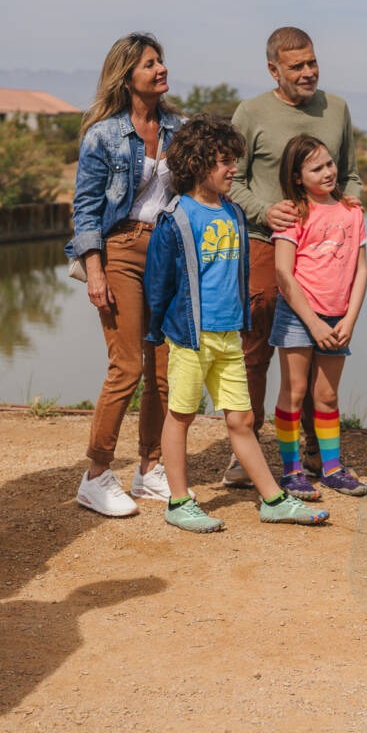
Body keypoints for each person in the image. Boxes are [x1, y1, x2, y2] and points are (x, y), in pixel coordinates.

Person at [146, 115, 330, 533]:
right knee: (180, 415)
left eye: (235, 160)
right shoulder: (176, 217)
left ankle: (273, 500)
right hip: (191, 338)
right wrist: (156, 331)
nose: (234, 169)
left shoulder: (232, 213)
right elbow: (158, 282)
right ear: (197, 163)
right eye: (225, 161)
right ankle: (178, 502)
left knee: (241, 420)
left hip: (229, 335)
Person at [227, 27, 362, 486]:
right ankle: (246, 448)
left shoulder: (338, 108)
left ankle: (315, 454)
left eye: (312, 62)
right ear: (273, 70)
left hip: (327, 253)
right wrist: (267, 211)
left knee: (320, 347)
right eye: (296, 66)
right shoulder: (250, 113)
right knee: (258, 349)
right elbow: (229, 180)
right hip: (267, 245)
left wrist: (349, 211)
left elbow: (353, 177)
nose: (308, 72)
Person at [67, 33, 184, 517]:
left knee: (162, 371)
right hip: (119, 251)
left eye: (160, 61)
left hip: (165, 253)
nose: (161, 69)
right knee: (127, 367)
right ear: (127, 76)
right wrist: (95, 270)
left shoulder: (179, 128)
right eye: (150, 64)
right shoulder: (104, 135)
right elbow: (86, 209)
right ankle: (95, 474)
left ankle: (150, 468)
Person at [270, 135, 367, 500]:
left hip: (338, 317)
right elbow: (283, 273)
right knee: (294, 393)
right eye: (316, 168)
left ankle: (331, 468)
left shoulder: (351, 211)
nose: (327, 172)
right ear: (297, 177)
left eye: (329, 163)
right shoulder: (292, 213)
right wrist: (312, 322)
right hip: (299, 317)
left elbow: (361, 271)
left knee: (326, 396)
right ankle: (292, 471)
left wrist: (349, 320)